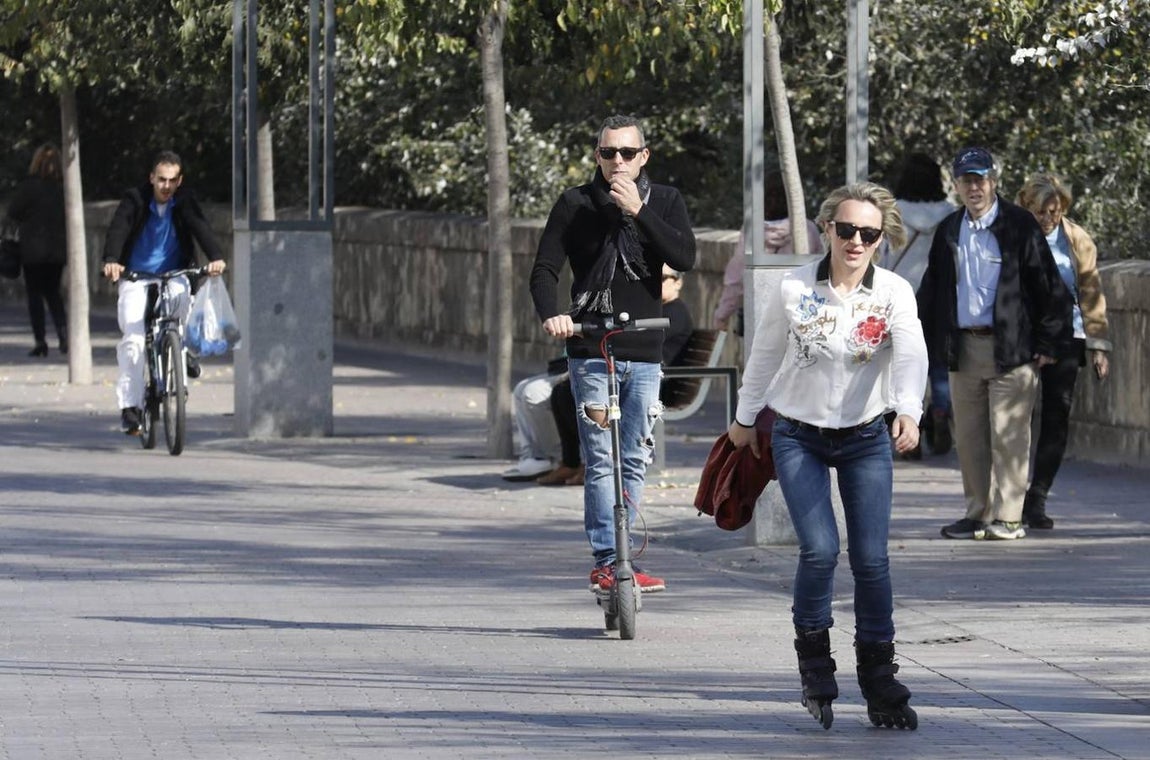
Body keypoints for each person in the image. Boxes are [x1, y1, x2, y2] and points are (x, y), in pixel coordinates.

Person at [728, 182, 927, 730]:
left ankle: (879, 678)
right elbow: (764, 354)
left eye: (868, 233)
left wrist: (908, 412)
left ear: (880, 239)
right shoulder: (794, 288)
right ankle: (815, 665)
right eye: (847, 230)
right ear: (827, 231)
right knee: (819, 550)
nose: (856, 241)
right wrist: (745, 420)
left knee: (871, 559)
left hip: (866, 436)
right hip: (799, 434)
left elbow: (911, 355)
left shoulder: (893, 293)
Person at [530, 114, 696, 594]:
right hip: (591, 347)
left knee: (636, 456)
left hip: (644, 350)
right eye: (608, 154)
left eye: (627, 153)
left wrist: (640, 211)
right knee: (601, 458)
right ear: (597, 156)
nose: (617, 162)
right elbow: (544, 269)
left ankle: (629, 556)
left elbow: (684, 257)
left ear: (644, 156)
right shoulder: (575, 204)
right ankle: (607, 559)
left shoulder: (664, 200)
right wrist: (552, 314)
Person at [917, 147, 1073, 541]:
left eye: (981, 179)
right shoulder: (950, 230)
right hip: (963, 348)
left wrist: (1049, 342)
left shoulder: (1019, 225)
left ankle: (1008, 516)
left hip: (1011, 348)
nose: (975, 187)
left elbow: (1050, 288)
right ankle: (977, 513)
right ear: (957, 185)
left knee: (1010, 435)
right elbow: (933, 289)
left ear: (994, 181)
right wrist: (919, 341)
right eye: (967, 180)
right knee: (969, 438)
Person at [101, 150, 227, 436]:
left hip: (174, 275)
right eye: (161, 180)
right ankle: (130, 409)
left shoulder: (183, 201)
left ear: (179, 180)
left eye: (172, 180)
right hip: (136, 277)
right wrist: (111, 260)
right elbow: (118, 228)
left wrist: (216, 256)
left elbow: (200, 227)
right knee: (133, 338)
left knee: (182, 306)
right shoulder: (135, 199)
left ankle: (179, 351)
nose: (166, 186)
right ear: (151, 178)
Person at [1016, 173, 1112, 530]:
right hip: (1023, 336)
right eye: (1041, 212)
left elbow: (1091, 292)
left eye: (1054, 212)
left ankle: (1037, 496)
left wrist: (1099, 345)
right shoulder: (1014, 235)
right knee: (1015, 417)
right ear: (1027, 207)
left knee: (1057, 417)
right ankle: (1008, 494)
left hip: (1067, 336)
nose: (1047, 220)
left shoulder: (1077, 240)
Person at [542, 264, 695, 487]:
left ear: (678, 282)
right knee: (563, 392)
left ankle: (590, 463)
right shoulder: (656, 310)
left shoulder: (674, 313)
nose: (655, 283)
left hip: (659, 383)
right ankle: (573, 461)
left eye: (662, 279)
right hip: (643, 374)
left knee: (570, 395)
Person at [879, 152, 959, 456]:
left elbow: (882, 254)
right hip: (937, 296)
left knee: (902, 365)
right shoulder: (950, 214)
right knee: (938, 362)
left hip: (899, 294)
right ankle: (940, 411)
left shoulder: (893, 212)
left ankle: (906, 426)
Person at [713, 169, 820, 332]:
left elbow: (736, 278)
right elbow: (822, 271)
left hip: (761, 312)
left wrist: (722, 315)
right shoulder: (807, 229)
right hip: (801, 312)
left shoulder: (753, 231)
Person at [4, 143, 68, 357]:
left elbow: (13, 212)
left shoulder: (29, 187)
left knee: (35, 295)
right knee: (53, 293)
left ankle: (40, 341)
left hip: (32, 250)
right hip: (57, 249)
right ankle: (63, 334)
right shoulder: (64, 188)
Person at [501, 362, 567, 482]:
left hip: (591, 365)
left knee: (533, 394)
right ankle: (535, 457)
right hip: (570, 364)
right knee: (520, 389)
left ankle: (561, 457)